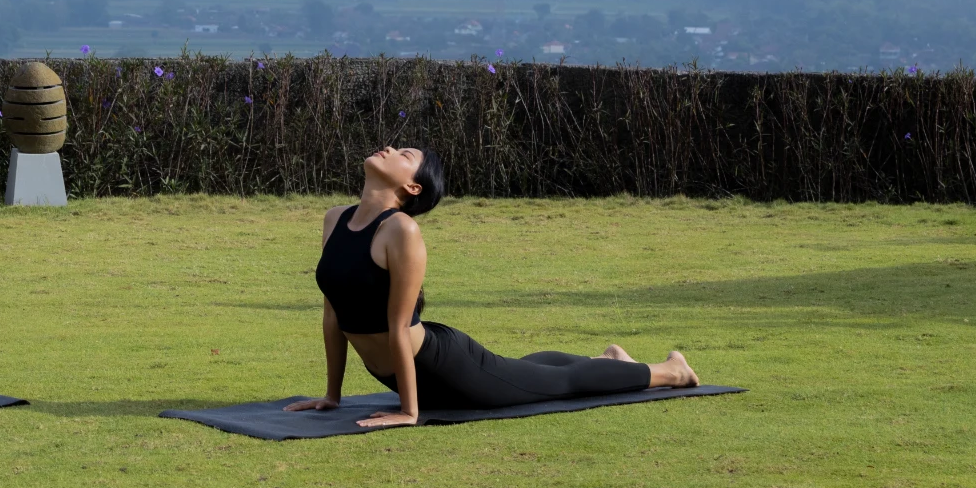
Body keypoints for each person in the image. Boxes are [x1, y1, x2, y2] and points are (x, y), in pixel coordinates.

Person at [285, 146, 699, 428]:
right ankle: (610, 359)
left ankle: (671, 371)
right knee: (521, 371)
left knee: (555, 385)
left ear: (412, 188)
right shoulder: (335, 218)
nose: (390, 149)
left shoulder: (401, 230)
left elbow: (397, 327)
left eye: (404, 154)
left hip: (442, 368)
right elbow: (332, 316)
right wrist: (332, 395)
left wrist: (410, 412)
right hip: (401, 373)